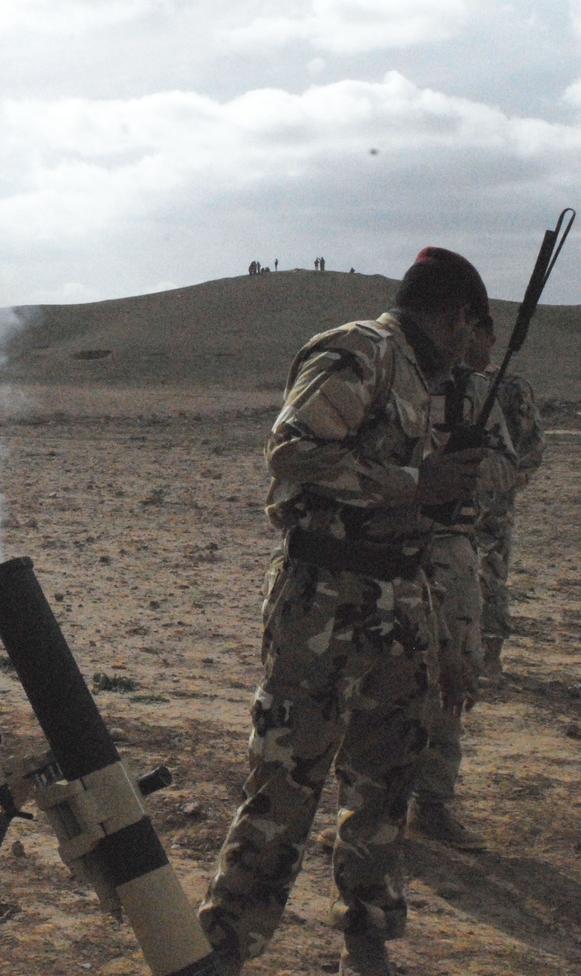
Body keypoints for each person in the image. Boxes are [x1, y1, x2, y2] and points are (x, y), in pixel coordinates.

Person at [198, 247, 494, 976]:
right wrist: (409, 485)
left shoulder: (432, 382)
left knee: (386, 778)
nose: (469, 343)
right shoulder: (360, 351)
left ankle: (365, 937)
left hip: (400, 597)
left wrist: (439, 495)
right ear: (453, 314)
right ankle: (225, 944)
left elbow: (425, 500)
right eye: (469, 327)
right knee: (287, 777)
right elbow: (291, 454)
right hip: (324, 599)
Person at [407, 317, 517, 849]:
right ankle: (362, 809)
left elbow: (506, 470)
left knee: (454, 677)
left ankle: (431, 802)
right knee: (376, 674)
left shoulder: (474, 394)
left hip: (450, 546)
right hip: (383, 539)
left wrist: (467, 467)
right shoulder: (389, 377)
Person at [472, 333, 547, 677]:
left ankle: (490, 654)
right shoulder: (440, 381)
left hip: (492, 503)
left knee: (490, 572)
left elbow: (533, 445)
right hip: (444, 495)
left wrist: (509, 482)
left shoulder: (511, 388)